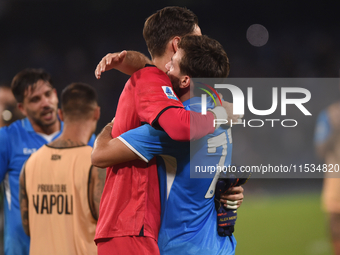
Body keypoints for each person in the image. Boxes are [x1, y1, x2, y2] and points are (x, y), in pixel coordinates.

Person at [92, 6, 238, 255]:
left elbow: (100, 153)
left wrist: (112, 123)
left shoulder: (181, 113)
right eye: (197, 38)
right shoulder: (212, 106)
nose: (200, 43)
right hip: (208, 241)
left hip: (165, 238)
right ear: (177, 43)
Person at [0, 69, 95, 255]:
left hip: (69, 248)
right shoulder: (7, 139)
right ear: (22, 108)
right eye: (35, 99)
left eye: (48, 94)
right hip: (22, 249)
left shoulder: (84, 137)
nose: (45, 103)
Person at [19, 83, 105, 255]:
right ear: (96, 112)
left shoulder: (30, 163)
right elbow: (109, 229)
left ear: (60, 114)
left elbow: (29, 228)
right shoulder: (96, 164)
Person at [314, 100, 340, 255]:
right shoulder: (330, 115)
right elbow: (320, 150)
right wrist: (335, 131)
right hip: (336, 176)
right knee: (335, 219)